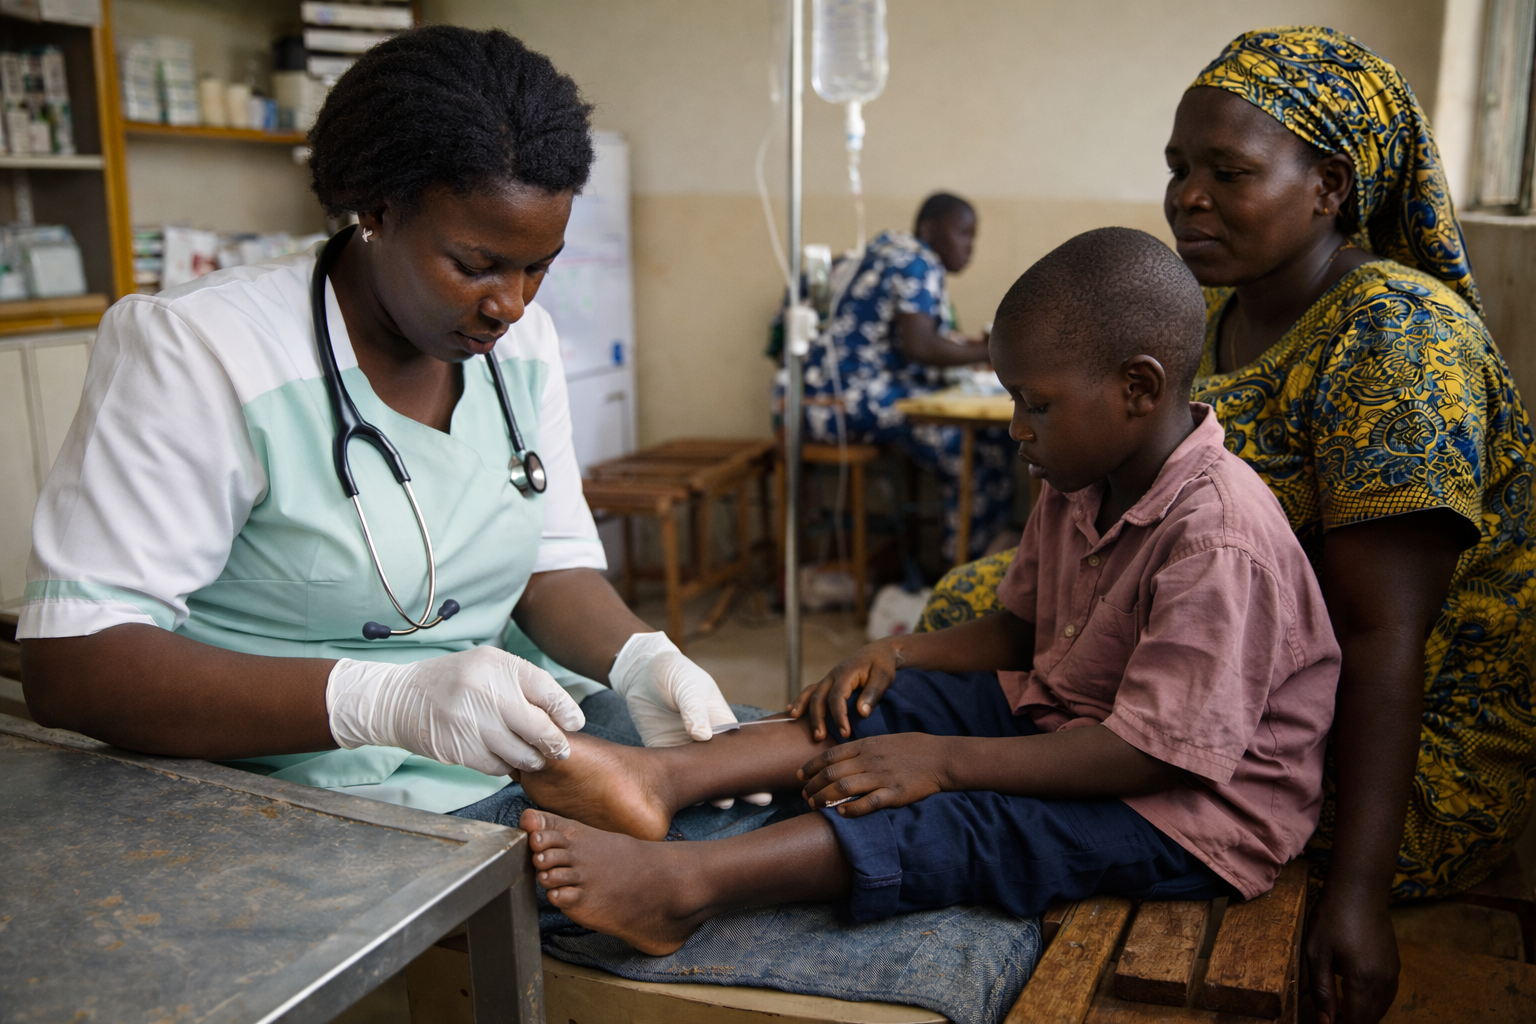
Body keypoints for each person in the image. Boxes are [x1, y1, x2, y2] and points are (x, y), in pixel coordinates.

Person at [916, 27, 1536, 1024]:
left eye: (1228, 171)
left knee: (995, 685)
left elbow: (1386, 632)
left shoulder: (1398, 339)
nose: (1186, 196)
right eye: (1177, 167)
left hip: (1385, 755)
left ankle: (1005, 797)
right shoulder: (1214, 307)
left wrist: (1359, 897)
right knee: (982, 602)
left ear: (1331, 185)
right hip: (1220, 663)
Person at [505, 227, 1341, 955]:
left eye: (1034, 405)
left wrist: (948, 763)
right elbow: (1019, 632)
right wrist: (893, 653)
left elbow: (1151, 753)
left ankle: (682, 889)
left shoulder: (1219, 540)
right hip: (1074, 719)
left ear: (1139, 387)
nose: (1016, 429)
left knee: (967, 818)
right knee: (885, 706)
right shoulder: (1082, 474)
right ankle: (661, 783)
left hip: (1188, 812)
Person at [17, 27, 751, 818]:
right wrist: (382, 701)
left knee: (787, 797)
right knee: (707, 882)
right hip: (290, 778)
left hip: (508, 736)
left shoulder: (521, 346)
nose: (511, 304)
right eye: (475, 266)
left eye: (538, 265)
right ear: (375, 210)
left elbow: (550, 565)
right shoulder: (203, 348)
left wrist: (639, 658)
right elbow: (73, 666)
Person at [793, 193, 1015, 562]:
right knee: (973, 446)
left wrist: (965, 348)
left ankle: (982, 559)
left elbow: (900, 342)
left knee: (991, 436)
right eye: (962, 234)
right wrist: (993, 352)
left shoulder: (881, 253)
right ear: (929, 229)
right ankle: (965, 570)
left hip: (811, 397)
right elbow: (921, 347)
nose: (969, 247)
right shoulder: (917, 262)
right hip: (842, 403)